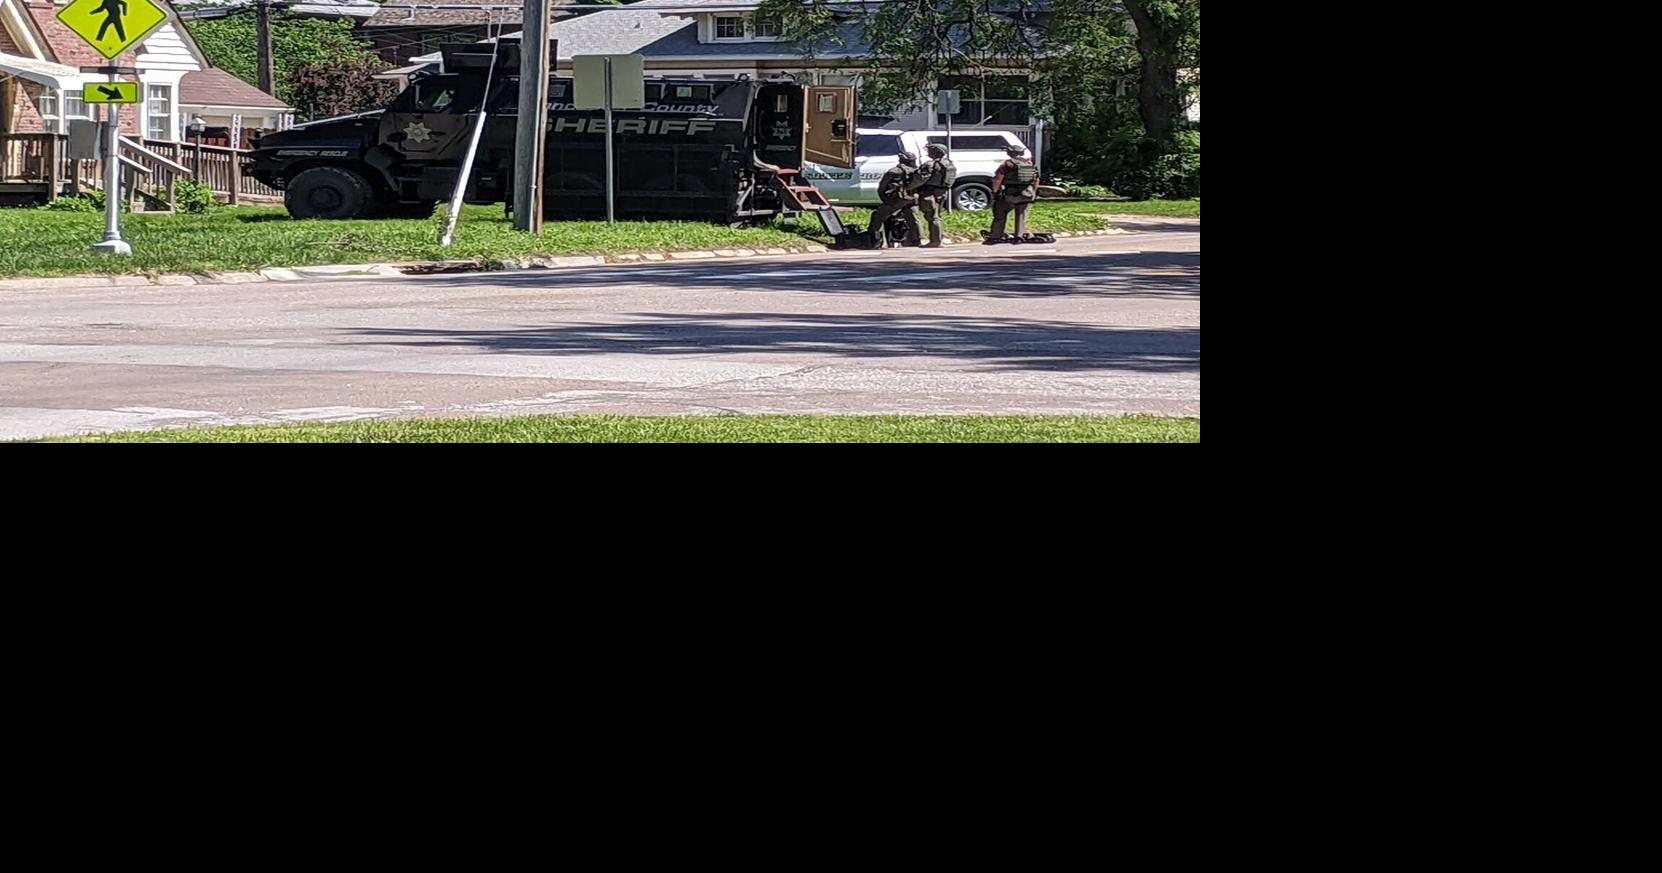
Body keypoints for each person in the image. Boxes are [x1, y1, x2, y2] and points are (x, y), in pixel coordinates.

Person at [907, 142, 956, 248]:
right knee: (937, 215)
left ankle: (935, 241)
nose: (928, 152)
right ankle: (939, 238)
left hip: (929, 193)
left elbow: (920, 179)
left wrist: (909, 187)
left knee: (932, 217)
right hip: (942, 192)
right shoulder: (948, 164)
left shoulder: (930, 164)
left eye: (930, 150)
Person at [867, 151, 921, 248]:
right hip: (913, 199)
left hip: (897, 200)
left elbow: (882, 188)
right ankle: (918, 239)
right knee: (914, 219)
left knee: (878, 216)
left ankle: (873, 239)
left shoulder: (894, 171)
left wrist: (886, 200)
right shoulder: (917, 171)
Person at [987, 144, 1039, 243]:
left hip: (1011, 194)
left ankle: (995, 236)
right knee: (1021, 214)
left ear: (1012, 153)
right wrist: (1034, 192)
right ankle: (1019, 236)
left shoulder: (1007, 164)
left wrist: (995, 192)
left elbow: (998, 179)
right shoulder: (1029, 163)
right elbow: (1036, 179)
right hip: (1026, 194)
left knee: (1000, 213)